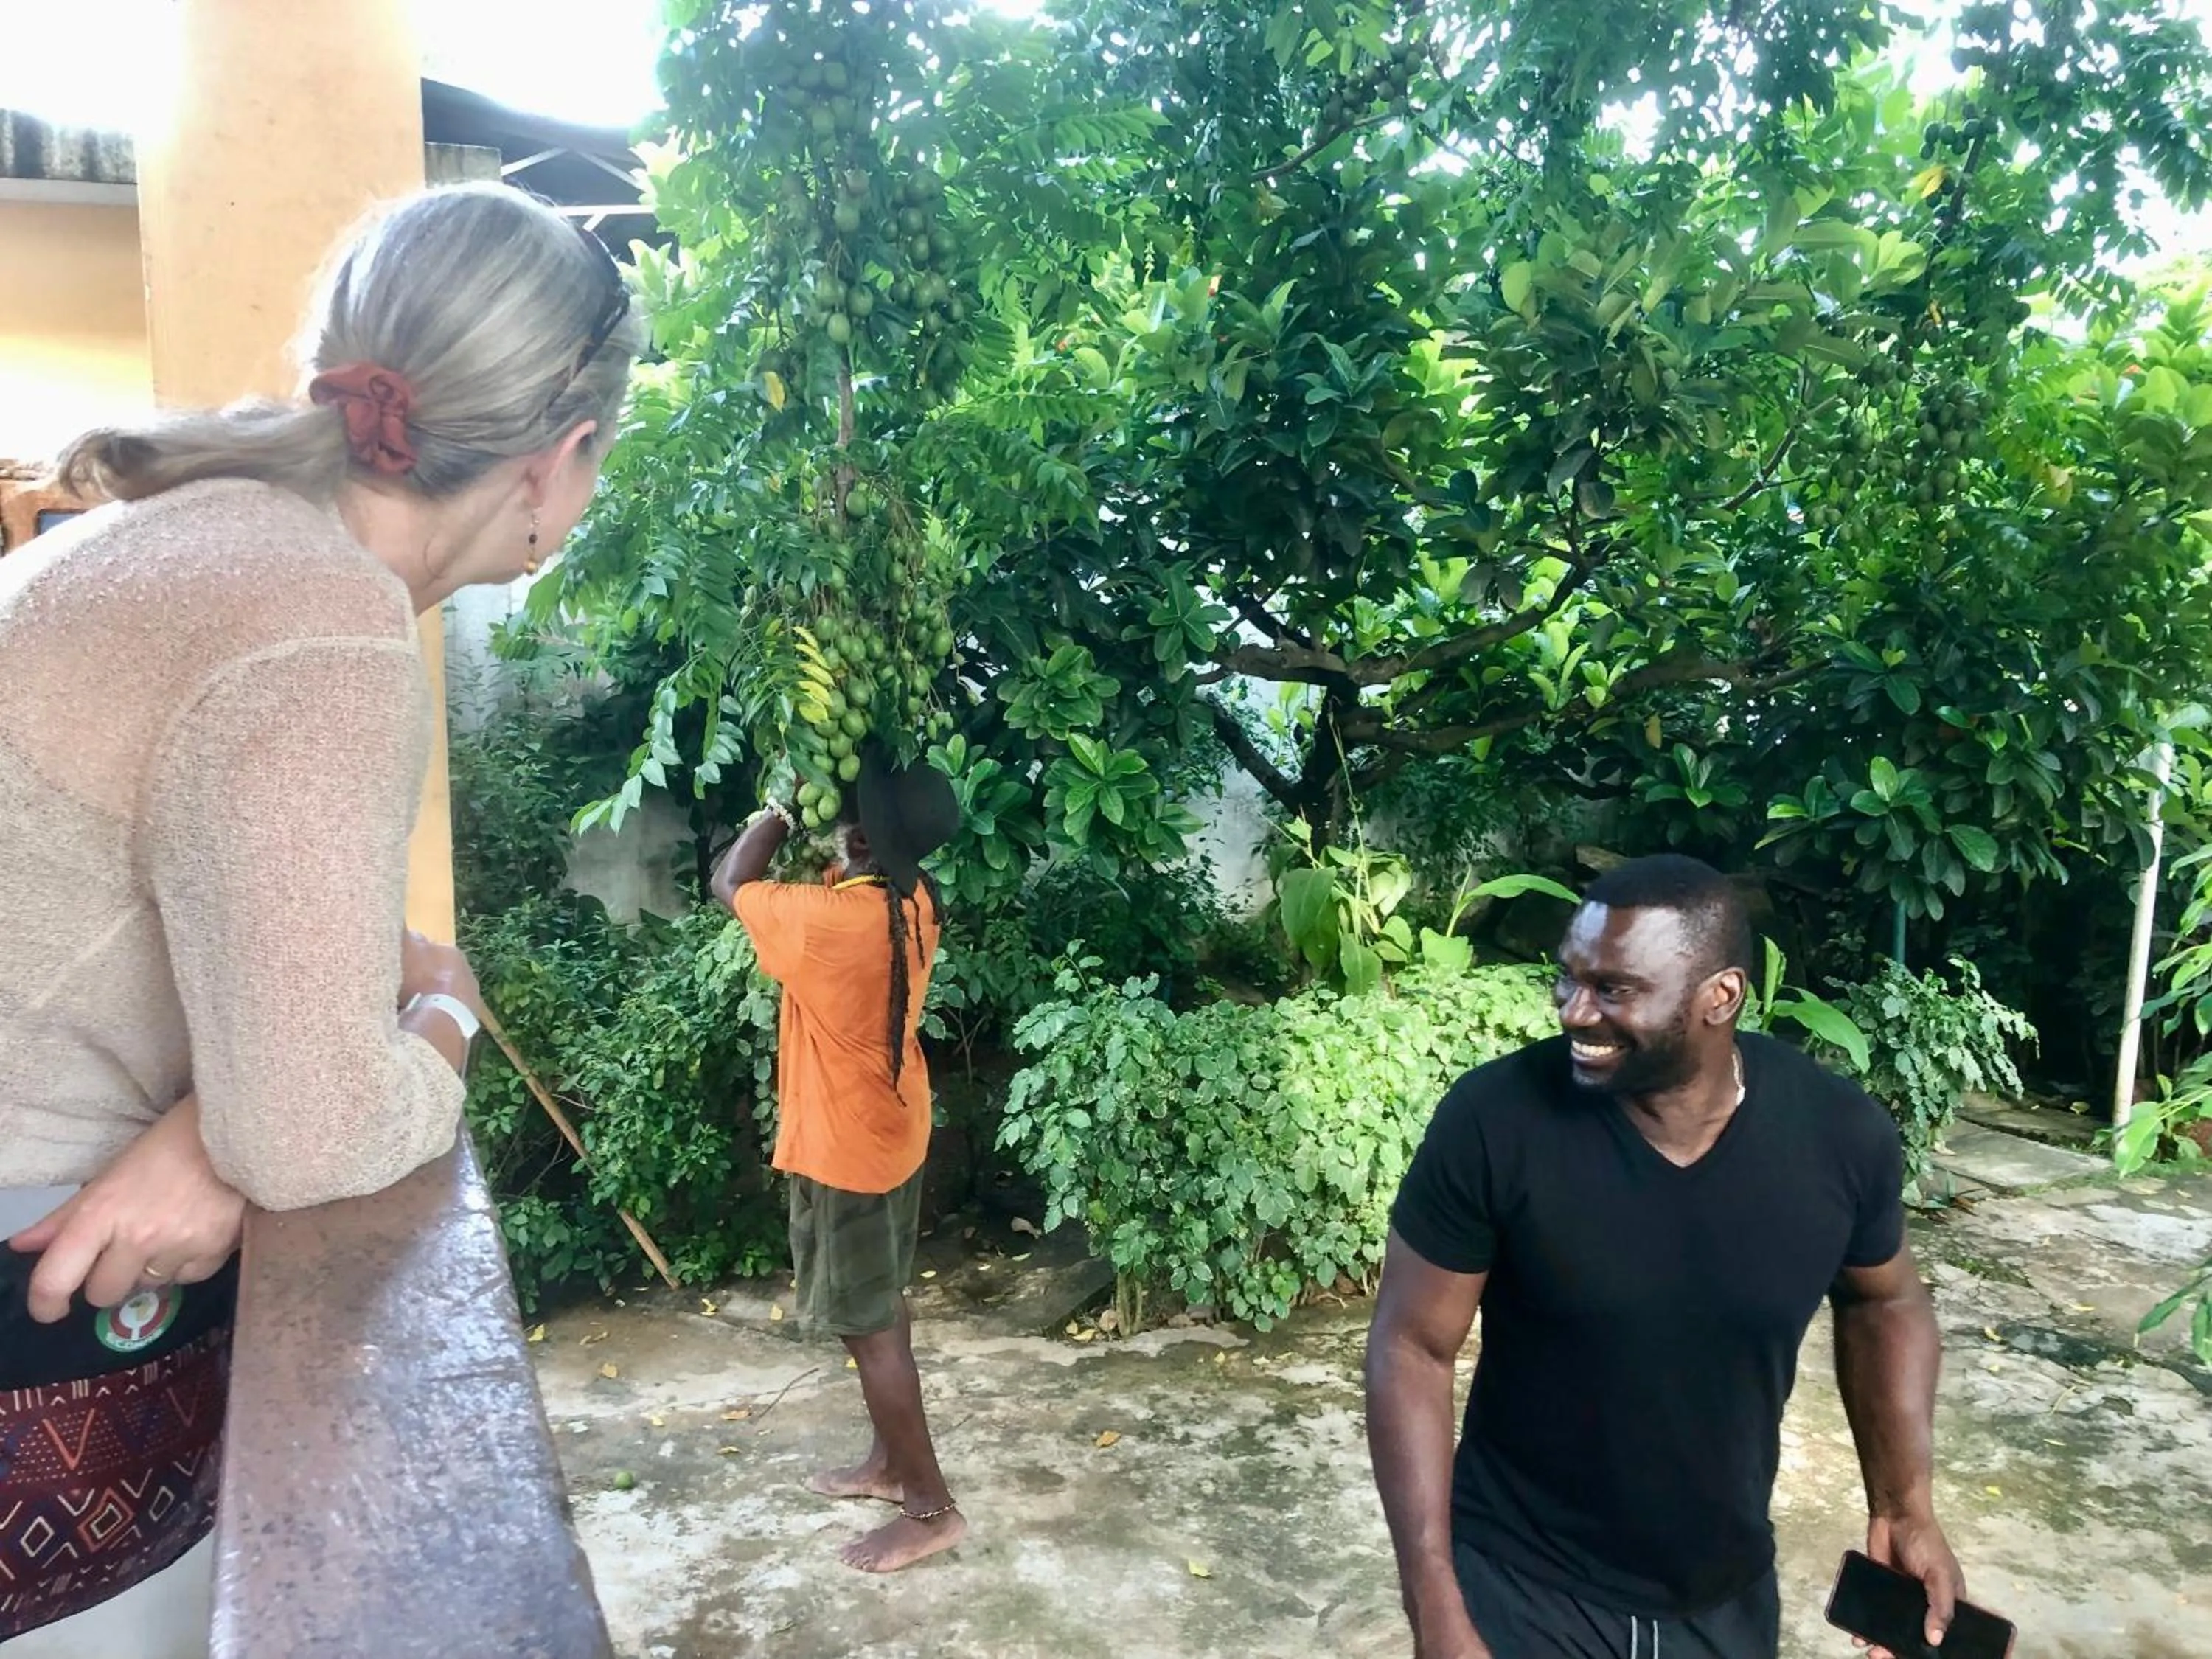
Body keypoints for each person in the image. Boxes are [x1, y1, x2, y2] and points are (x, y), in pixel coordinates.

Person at [0, 181, 640, 1652]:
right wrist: (441, 1012)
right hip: (53, 1283)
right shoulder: (321, 625)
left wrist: (220, 1116)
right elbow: (308, 1131)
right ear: (562, 457)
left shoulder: (190, 534)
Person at [1366, 855, 1962, 1659]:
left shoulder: (1837, 1137)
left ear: (1721, 997)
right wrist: (1434, 1598)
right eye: (1567, 979)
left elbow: (1886, 1299)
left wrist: (1904, 1507)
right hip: (1520, 1585)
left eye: (1614, 989)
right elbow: (1412, 1346)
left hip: (1724, 1597)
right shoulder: (1496, 1122)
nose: (1575, 1012)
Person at [712, 748, 964, 1574]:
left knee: (868, 1328)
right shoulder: (916, 897)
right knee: (882, 1301)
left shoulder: (831, 923)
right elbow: (839, 877)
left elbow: (729, 882)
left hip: (847, 1145)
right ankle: (891, 1466)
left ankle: (930, 1509)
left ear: (858, 834)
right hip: (893, 1123)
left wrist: (782, 804)